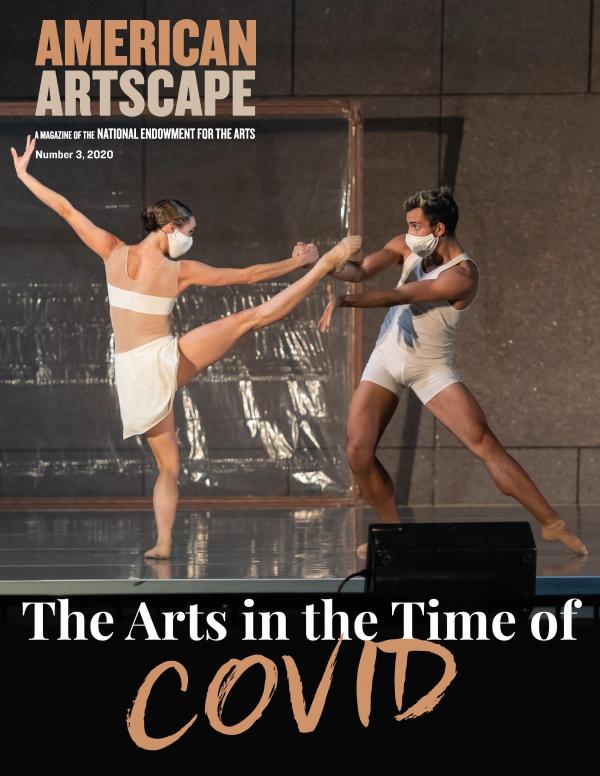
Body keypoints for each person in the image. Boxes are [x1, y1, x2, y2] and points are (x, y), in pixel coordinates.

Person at [12, 135, 361, 559]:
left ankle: (161, 543)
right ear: (171, 228)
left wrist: (23, 175)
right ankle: (319, 267)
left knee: (169, 469)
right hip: (162, 358)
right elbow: (248, 276)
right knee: (249, 318)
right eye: (189, 232)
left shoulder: (111, 251)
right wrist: (298, 261)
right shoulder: (180, 270)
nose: (191, 239)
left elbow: (65, 208)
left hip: (131, 375)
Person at [318, 186, 587, 556]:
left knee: (483, 443)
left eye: (416, 226)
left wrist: (346, 302)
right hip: (386, 357)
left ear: (439, 229)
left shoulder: (462, 276)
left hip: (429, 368)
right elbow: (360, 270)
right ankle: (394, 535)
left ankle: (551, 522)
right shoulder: (406, 245)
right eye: (408, 226)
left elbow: (401, 295)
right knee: (358, 451)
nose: (409, 233)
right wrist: (317, 263)